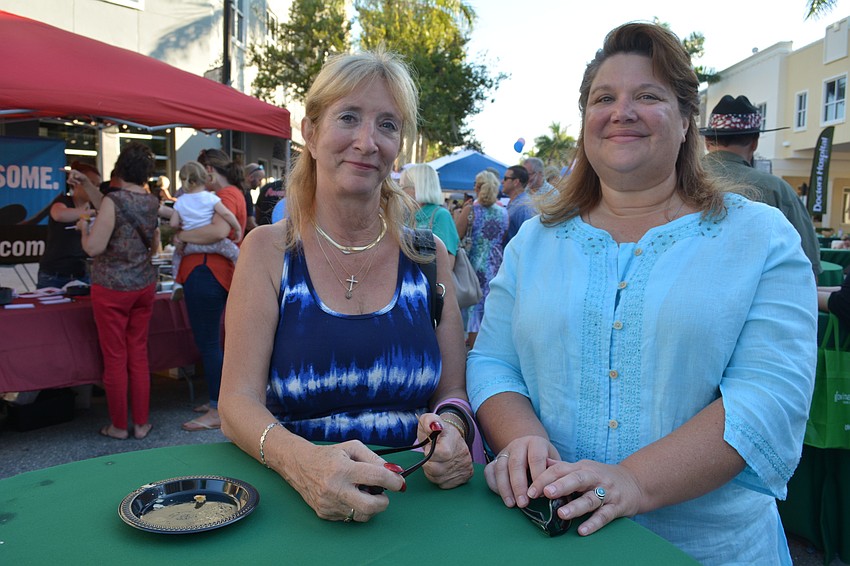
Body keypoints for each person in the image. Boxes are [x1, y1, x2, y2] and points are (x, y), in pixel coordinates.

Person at [467, 22, 815, 565]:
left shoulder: (760, 238)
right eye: (604, 98)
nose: (621, 111)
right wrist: (522, 441)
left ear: (685, 122)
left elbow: (766, 399)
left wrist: (632, 481)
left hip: (706, 550)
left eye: (647, 96)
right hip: (550, 539)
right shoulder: (534, 241)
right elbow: (492, 361)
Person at [218, 49, 476, 523]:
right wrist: (303, 464)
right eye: (349, 117)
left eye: (387, 125)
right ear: (311, 133)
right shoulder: (268, 252)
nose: (366, 141)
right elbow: (236, 402)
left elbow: (453, 392)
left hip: (414, 503)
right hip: (293, 500)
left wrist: (454, 430)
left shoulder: (428, 257)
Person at [72, 142, 161, 440]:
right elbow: (154, 244)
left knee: (114, 356)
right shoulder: (151, 202)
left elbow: (94, 247)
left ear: (120, 169)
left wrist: (84, 229)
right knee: (138, 354)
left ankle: (119, 426)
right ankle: (142, 424)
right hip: (143, 285)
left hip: (111, 287)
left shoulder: (114, 201)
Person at [701, 94, 822, 279]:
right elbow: (807, 261)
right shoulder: (777, 190)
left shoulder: (674, 180)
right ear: (755, 142)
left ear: (707, 141)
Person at [175, 148, 247, 431]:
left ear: (209, 173)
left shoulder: (224, 195)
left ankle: (218, 408)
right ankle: (219, 402)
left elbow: (217, 232)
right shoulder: (229, 194)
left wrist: (181, 236)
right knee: (215, 342)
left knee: (209, 343)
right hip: (211, 271)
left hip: (205, 271)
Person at [454, 170, 509, 348]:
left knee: (473, 309)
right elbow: (501, 238)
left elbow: (456, 236)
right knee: (489, 307)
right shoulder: (503, 212)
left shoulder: (471, 210)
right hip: (495, 265)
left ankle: (473, 348)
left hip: (473, 265)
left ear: (477, 188)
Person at [169, 160, 242, 282]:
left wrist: (180, 230)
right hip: (214, 244)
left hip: (191, 245)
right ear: (204, 177)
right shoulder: (211, 198)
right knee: (237, 254)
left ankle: (176, 282)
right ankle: (241, 278)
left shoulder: (180, 201)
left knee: (177, 256)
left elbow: (173, 223)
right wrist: (238, 228)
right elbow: (226, 213)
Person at [37, 162, 99, 289]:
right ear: (76, 183)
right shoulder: (63, 201)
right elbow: (59, 214)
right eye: (90, 183)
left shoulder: (97, 208)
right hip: (54, 275)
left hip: (81, 273)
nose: (94, 189)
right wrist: (92, 213)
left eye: (97, 186)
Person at [400, 163, 459, 269]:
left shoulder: (441, 215)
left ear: (416, 188)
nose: (400, 191)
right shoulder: (407, 215)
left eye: (402, 186)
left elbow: (447, 264)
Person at [502, 165, 533, 244]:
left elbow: (527, 238)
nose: (502, 182)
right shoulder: (514, 203)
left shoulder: (524, 206)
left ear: (516, 182)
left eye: (505, 179)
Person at [243, 163, 264, 233]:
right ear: (251, 177)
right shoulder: (246, 195)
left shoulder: (238, 191)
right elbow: (250, 224)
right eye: (259, 180)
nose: (260, 184)